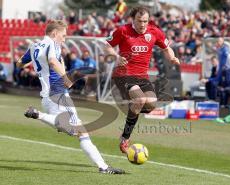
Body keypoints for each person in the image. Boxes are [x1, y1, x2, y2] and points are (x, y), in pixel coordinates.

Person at [16, 20, 125, 174]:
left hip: (46, 97)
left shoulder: (34, 46)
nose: (64, 39)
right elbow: (53, 61)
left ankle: (38, 114)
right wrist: (66, 78)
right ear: (54, 34)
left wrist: (36, 64)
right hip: (59, 93)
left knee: (72, 129)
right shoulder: (53, 44)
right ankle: (104, 167)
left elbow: (19, 63)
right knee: (80, 131)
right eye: (63, 35)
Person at [104, 6, 180, 154]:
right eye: (140, 21)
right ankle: (125, 138)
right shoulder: (123, 30)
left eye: (145, 21)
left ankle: (133, 109)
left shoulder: (154, 32)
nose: (143, 24)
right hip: (123, 74)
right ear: (133, 19)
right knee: (139, 100)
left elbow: (166, 47)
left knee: (151, 104)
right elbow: (107, 45)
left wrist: (172, 57)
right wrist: (116, 57)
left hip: (142, 76)